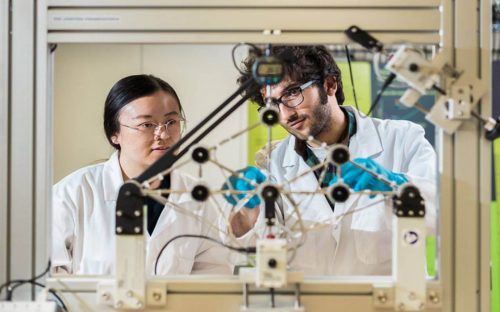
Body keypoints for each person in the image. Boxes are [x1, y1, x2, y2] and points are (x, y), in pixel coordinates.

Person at [222, 45, 437, 275]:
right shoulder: (275, 164)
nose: (285, 114)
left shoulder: (403, 138)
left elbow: (443, 216)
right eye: (273, 103)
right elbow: (252, 247)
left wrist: (396, 187)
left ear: (330, 84)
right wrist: (245, 212)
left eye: (292, 93)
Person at [51, 74, 231, 275]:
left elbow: (212, 279)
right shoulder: (71, 194)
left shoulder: (198, 198)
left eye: (171, 122)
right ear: (114, 133)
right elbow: (50, 281)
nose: (163, 135)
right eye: (147, 125)